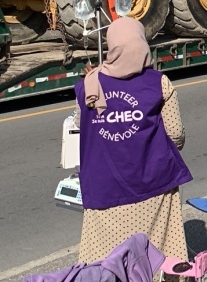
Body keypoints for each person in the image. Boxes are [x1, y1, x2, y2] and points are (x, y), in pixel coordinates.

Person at [75, 17, 192, 264]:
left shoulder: (89, 85)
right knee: (155, 258)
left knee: (105, 265)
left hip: (103, 191)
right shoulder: (158, 83)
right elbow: (175, 136)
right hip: (153, 186)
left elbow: (80, 124)